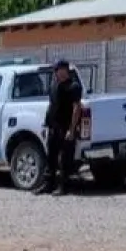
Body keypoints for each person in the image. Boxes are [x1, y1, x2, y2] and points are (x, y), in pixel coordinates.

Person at [38, 59, 83, 196]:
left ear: (64, 70)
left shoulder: (73, 86)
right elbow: (51, 105)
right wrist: (46, 124)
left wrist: (71, 129)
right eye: (55, 71)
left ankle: (63, 186)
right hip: (53, 126)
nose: (55, 73)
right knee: (50, 157)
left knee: (64, 159)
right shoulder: (54, 85)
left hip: (66, 127)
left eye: (57, 70)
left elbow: (77, 108)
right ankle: (48, 184)